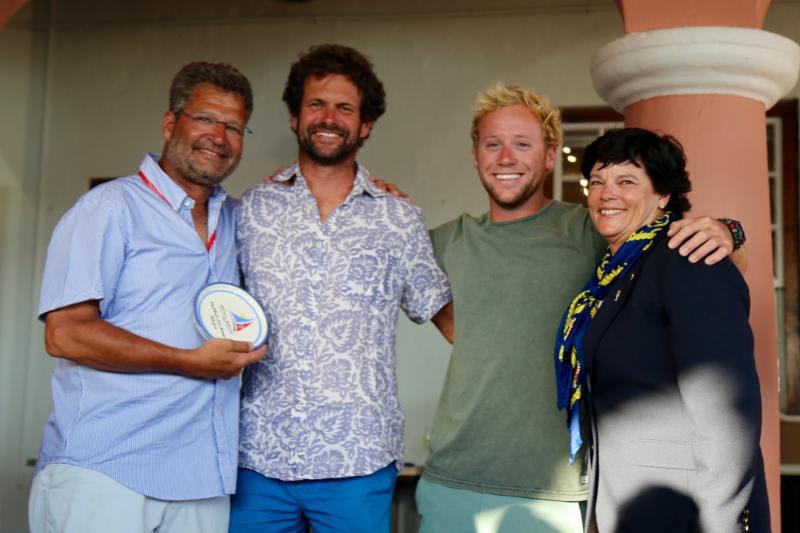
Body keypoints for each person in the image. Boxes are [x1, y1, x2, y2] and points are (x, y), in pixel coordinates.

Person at [415, 83, 744, 533]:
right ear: (476, 155)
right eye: (493, 144)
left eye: (523, 144)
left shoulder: (594, 228)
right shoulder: (441, 243)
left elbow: (684, 250)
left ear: (551, 156)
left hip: (560, 492)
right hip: (452, 480)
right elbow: (450, 321)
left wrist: (729, 231)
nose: (506, 157)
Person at [29, 62, 266, 533]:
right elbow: (66, 334)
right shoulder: (109, 209)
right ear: (169, 123)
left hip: (202, 482)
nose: (218, 136)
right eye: (204, 119)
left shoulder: (240, 220)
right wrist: (188, 360)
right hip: (106, 475)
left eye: (234, 126)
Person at [231, 44, 452, 532]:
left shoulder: (399, 218)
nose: (328, 117)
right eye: (316, 104)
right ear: (294, 117)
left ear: (366, 124)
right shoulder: (251, 210)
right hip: (257, 461)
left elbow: (445, 316)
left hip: (358, 463)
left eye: (345, 108)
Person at [554, 128, 767, 532]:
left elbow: (727, 415)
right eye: (597, 181)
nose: (606, 193)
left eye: (627, 181)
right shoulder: (612, 277)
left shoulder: (687, 258)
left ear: (663, 196)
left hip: (687, 512)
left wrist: (719, 522)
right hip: (627, 506)